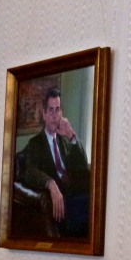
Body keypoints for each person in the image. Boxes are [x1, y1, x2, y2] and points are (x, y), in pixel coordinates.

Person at [22, 86, 90, 237]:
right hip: (61, 205)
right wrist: (51, 184)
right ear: (44, 114)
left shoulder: (63, 140)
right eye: (51, 110)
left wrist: (71, 135)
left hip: (74, 195)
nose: (54, 115)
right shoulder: (35, 143)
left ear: (61, 113)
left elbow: (82, 164)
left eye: (57, 110)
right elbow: (30, 172)